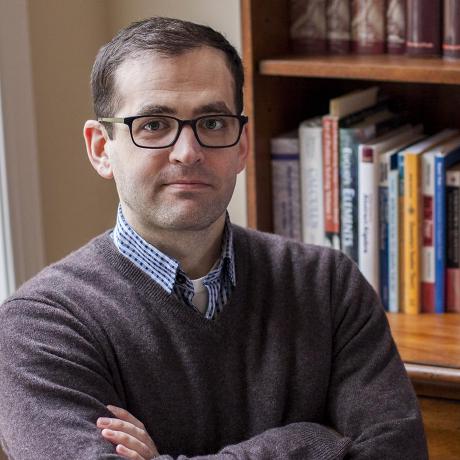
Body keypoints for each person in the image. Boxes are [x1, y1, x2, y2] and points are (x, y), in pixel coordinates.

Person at [0, 17, 427, 460]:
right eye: (153, 125)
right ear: (100, 148)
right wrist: (310, 441)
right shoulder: (40, 326)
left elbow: (400, 453)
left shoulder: (328, 285)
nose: (188, 152)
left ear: (241, 144)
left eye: (213, 122)